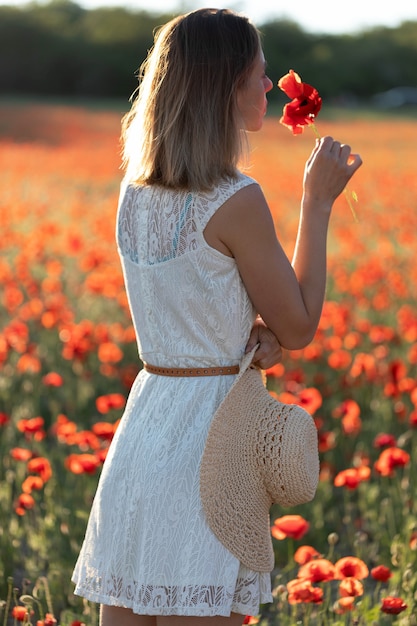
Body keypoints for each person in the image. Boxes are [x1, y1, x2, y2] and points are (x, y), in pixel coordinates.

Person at [71, 7, 362, 626]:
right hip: (213, 447)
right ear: (226, 85)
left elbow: (188, 310)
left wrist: (241, 337)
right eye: (259, 74)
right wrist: (316, 203)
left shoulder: (134, 190)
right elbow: (301, 327)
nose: (267, 85)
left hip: (145, 430)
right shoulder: (236, 199)